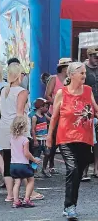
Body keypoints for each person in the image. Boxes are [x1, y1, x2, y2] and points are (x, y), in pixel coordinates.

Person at [47, 62, 97, 219]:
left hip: (85, 138)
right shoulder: (62, 93)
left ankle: (69, 204)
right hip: (66, 138)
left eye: (84, 73)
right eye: (81, 73)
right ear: (71, 75)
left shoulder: (88, 91)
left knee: (78, 173)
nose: (84, 75)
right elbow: (54, 116)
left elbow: (95, 109)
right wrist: (49, 136)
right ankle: (70, 207)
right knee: (73, 169)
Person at [0, 62, 44, 203]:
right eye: (23, 74)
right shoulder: (21, 91)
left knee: (8, 162)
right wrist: (23, 130)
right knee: (23, 160)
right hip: (17, 128)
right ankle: (30, 192)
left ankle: (10, 194)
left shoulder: (4, 90)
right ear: (19, 75)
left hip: (4, 127)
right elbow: (19, 112)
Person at [10, 116, 41, 208]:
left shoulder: (12, 138)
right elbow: (26, 153)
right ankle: (27, 199)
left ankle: (16, 201)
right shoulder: (25, 140)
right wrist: (34, 159)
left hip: (13, 164)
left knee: (17, 183)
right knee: (31, 180)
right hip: (23, 164)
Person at [84, 48, 98, 181]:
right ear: (89, 56)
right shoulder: (83, 69)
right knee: (88, 140)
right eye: (95, 56)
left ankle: (96, 168)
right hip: (88, 108)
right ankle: (85, 170)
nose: (97, 59)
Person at [31, 98, 52, 178]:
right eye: (46, 107)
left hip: (44, 139)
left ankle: (44, 168)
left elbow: (51, 120)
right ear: (40, 107)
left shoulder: (44, 115)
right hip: (38, 139)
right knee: (36, 155)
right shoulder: (34, 117)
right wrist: (35, 140)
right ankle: (34, 170)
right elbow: (33, 129)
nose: (47, 109)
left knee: (47, 153)